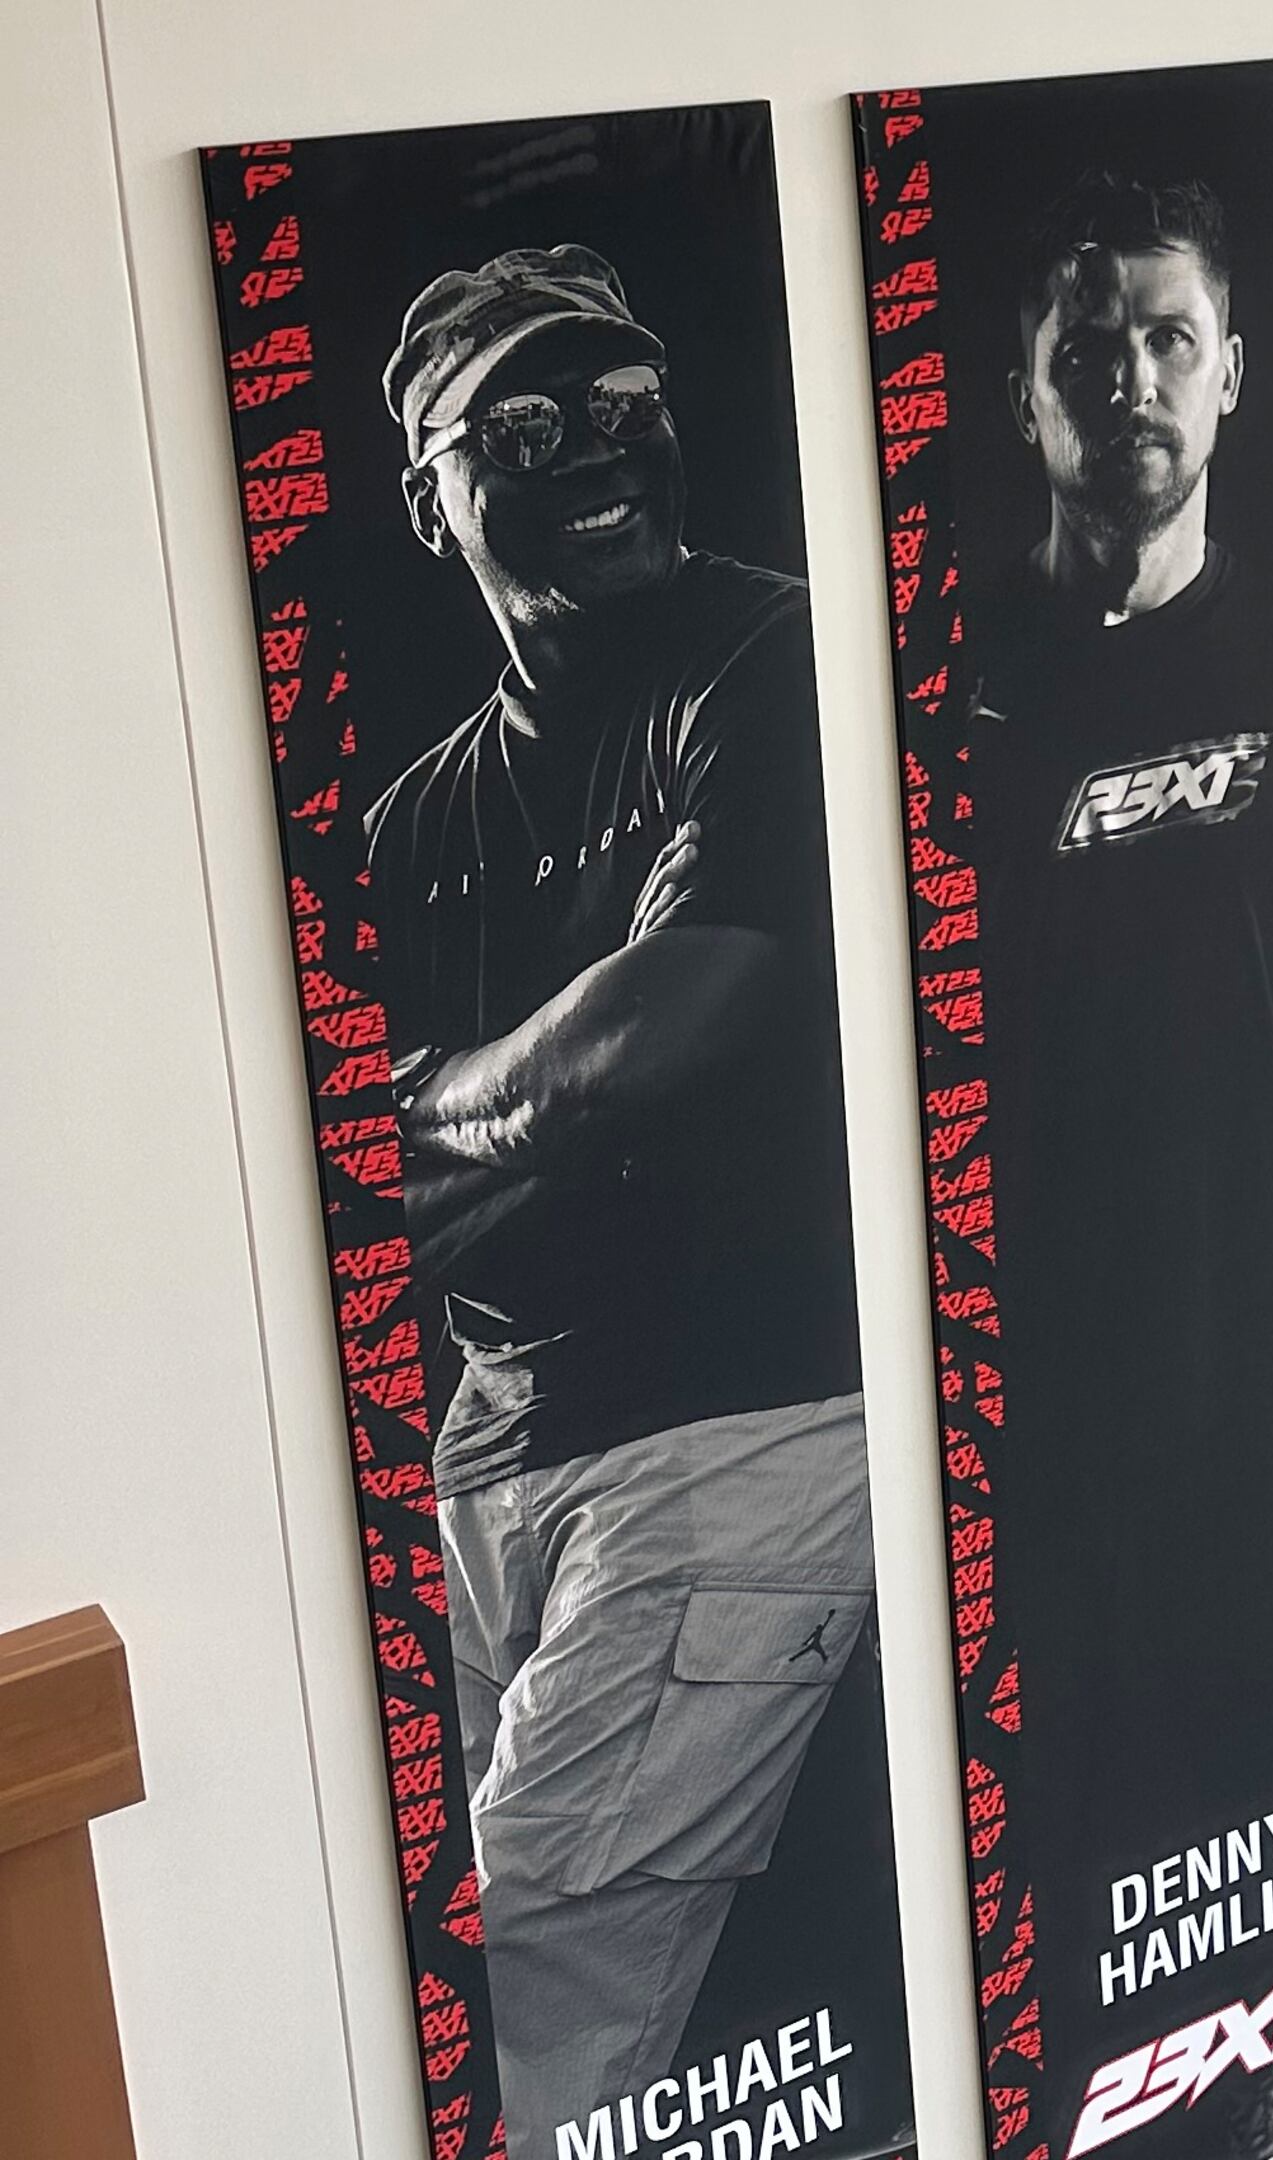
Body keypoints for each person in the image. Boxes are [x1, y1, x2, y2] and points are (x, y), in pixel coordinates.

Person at [362, 244, 867, 2147]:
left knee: (533, 1988)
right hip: (488, 1457)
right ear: (434, 497)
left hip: (744, 1412)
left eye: (632, 404)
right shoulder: (418, 821)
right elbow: (385, 1186)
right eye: (528, 421)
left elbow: (671, 1023)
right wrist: (519, 1110)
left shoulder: (774, 655)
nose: (602, 449)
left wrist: (467, 1105)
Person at [954, 174, 1273, 2137]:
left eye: (1168, 339)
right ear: (1025, 395)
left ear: (1235, 377)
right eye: (1088, 347)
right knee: (1100, 1796)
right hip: (1061, 1388)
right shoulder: (959, 697)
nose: (1132, 379)